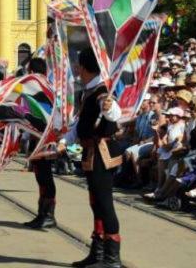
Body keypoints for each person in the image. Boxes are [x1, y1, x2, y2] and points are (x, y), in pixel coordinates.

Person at [59, 47, 123, 268]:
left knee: (104, 202)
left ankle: (112, 258)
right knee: (95, 202)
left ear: (83, 67)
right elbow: (79, 124)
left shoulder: (101, 92)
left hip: (102, 154)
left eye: (78, 64)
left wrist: (109, 107)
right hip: (89, 152)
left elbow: (113, 112)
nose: (76, 67)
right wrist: (63, 143)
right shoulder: (88, 90)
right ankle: (97, 253)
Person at [23, 57, 57, 230]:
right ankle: (41, 214)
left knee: (46, 177)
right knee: (40, 177)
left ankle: (49, 215)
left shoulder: (45, 90)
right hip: (36, 138)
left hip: (45, 139)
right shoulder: (34, 90)